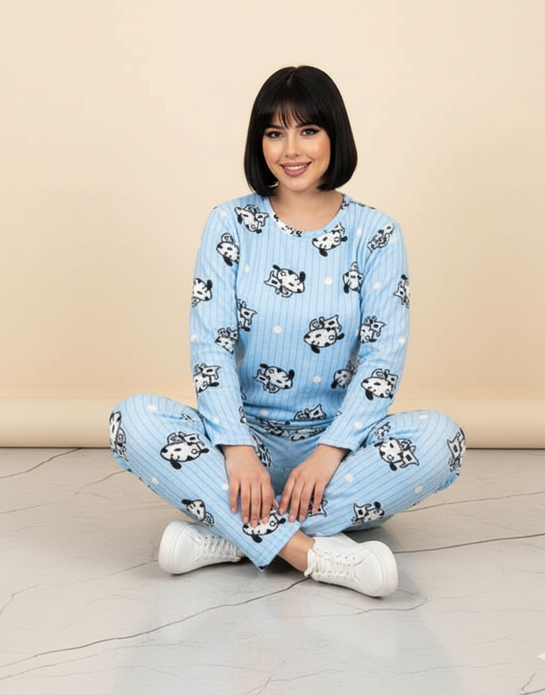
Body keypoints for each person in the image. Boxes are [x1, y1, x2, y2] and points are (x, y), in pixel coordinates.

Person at [109, 66, 466, 597]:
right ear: (260, 143)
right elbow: (211, 347)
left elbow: (381, 360)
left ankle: (231, 535)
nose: (291, 149)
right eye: (275, 133)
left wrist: (331, 451)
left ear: (334, 136)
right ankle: (310, 552)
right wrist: (236, 449)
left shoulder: (377, 233)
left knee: (442, 441)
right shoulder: (229, 222)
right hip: (240, 443)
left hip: (338, 453)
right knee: (131, 420)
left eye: (308, 131)